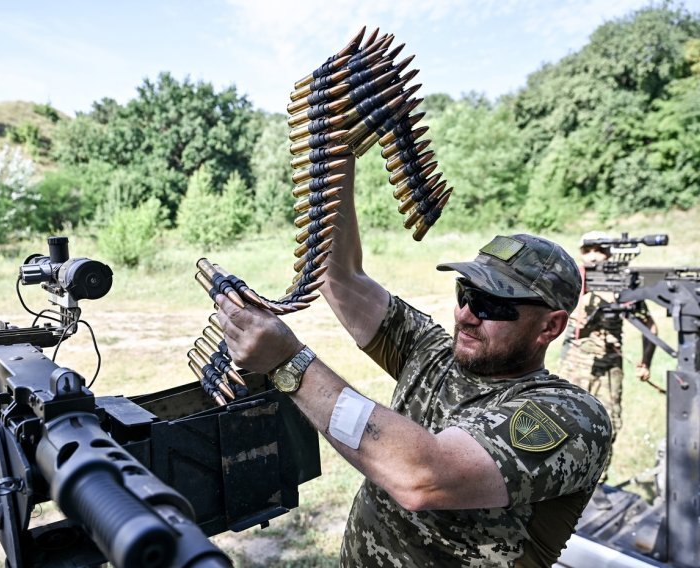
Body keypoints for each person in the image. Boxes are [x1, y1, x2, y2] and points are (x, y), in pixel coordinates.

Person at [215, 157, 611, 567]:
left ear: (551, 327)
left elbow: (422, 476)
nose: (465, 315)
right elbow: (341, 279)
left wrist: (289, 365)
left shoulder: (573, 418)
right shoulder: (433, 353)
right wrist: (338, 152)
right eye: (465, 293)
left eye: (492, 304)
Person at [559, 231, 657, 480]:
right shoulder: (572, 280)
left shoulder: (622, 284)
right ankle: (566, 479)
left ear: (610, 253)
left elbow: (650, 325)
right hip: (575, 364)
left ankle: (598, 482)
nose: (593, 256)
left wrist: (646, 361)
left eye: (599, 250)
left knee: (609, 424)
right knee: (566, 422)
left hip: (610, 365)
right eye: (587, 250)